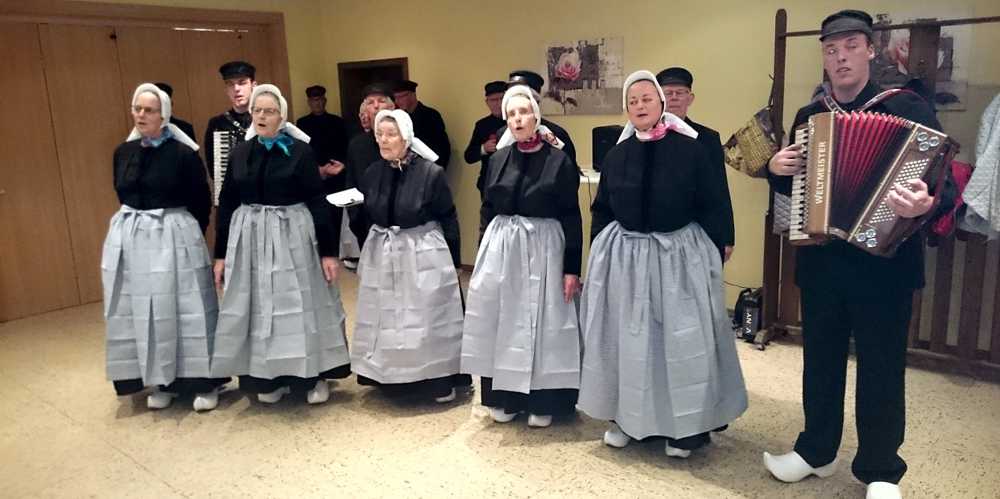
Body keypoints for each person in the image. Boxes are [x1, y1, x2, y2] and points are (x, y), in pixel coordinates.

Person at [763, 11, 955, 499]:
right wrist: (775, 169)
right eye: (831, 49)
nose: (840, 56)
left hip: (885, 266)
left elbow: (942, 186)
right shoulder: (810, 117)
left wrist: (927, 202)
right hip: (823, 263)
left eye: (850, 46)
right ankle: (816, 451)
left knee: (881, 368)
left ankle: (881, 470)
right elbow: (796, 195)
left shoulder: (908, 107)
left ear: (870, 50)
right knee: (819, 363)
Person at [578, 70, 747, 458]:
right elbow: (602, 208)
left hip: (678, 260)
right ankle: (627, 420)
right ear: (627, 109)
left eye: (646, 99)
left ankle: (685, 430)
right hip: (628, 261)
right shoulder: (616, 155)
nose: (640, 106)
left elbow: (713, 201)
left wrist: (717, 246)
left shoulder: (691, 149)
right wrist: (599, 253)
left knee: (681, 343)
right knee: (629, 343)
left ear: (661, 103)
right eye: (633, 101)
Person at [211, 84, 351, 405]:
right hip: (251, 240)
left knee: (298, 306)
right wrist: (220, 254)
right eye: (257, 110)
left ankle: (312, 376)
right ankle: (266, 377)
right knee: (259, 310)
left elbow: (317, 200)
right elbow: (228, 201)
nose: (262, 116)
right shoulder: (241, 152)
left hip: (292, 235)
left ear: (282, 117)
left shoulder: (300, 152)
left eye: (269, 111)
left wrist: (328, 252)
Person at [461, 84, 583, 427]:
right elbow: (487, 209)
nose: (517, 119)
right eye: (511, 114)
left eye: (524, 112)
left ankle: (545, 401)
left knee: (545, 324)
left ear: (536, 116)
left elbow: (572, 216)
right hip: (503, 250)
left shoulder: (558, 160)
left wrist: (571, 268)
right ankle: (505, 398)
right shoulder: (498, 158)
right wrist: (482, 255)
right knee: (503, 322)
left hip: (546, 249)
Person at [103, 83, 222, 411]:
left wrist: (185, 235)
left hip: (174, 237)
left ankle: (203, 382)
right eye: (137, 109)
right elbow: (121, 191)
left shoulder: (183, 154)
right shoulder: (123, 152)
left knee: (186, 310)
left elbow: (200, 200)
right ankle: (162, 380)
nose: (141, 115)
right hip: (134, 241)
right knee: (148, 312)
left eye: (149, 110)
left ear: (164, 115)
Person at [348, 109, 468, 402]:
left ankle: (437, 379)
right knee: (388, 316)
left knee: (425, 317)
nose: (383, 140)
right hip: (384, 250)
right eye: (380, 134)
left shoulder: (430, 173)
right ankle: (391, 378)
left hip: (421, 250)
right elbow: (366, 214)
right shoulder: (372, 172)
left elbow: (448, 217)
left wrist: (453, 261)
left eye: (391, 134)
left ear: (406, 137)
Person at [656, 67, 735, 262]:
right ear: (659, 98)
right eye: (668, 93)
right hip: (656, 232)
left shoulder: (707, 138)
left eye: (680, 92)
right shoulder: (646, 136)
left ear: (690, 98)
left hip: (698, 229)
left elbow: (720, 189)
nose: (674, 98)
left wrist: (727, 237)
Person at [297, 85, 354, 267]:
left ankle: (338, 251)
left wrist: (337, 167)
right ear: (309, 102)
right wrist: (318, 169)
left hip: (336, 174)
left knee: (336, 215)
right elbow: (301, 152)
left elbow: (345, 148)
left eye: (320, 100)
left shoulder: (338, 122)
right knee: (316, 214)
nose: (317, 103)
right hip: (313, 176)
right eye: (314, 100)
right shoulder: (302, 124)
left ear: (325, 100)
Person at [497, 70, 577, 167]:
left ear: (535, 103)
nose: (517, 118)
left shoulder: (557, 134)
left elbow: (570, 170)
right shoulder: (502, 135)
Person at [204, 61, 256, 204]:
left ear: (253, 85)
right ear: (226, 90)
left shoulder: (267, 119)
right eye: (230, 84)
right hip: (233, 201)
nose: (236, 89)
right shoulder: (217, 124)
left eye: (242, 82)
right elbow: (215, 172)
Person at [463, 81, 508, 197]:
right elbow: (468, 156)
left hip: (513, 182)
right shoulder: (482, 125)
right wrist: (483, 148)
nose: (499, 104)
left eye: (502, 99)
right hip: (489, 183)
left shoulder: (518, 121)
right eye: (493, 100)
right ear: (487, 102)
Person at [393, 80, 451, 168]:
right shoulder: (399, 118)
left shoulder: (431, 115)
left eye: (401, 96)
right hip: (406, 167)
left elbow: (443, 147)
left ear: (413, 95)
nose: (398, 101)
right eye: (395, 98)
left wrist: (437, 169)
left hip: (428, 166)